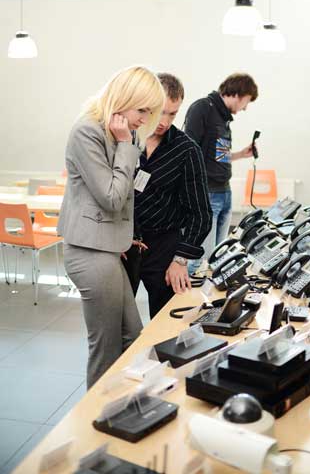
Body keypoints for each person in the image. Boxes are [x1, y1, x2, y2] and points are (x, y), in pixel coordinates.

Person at [58, 65, 165, 389]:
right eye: (141, 110)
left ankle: (123, 408)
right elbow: (113, 197)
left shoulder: (121, 135)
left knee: (132, 338)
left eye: (149, 112)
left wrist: (122, 237)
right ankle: (95, 417)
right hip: (89, 253)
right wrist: (125, 145)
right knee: (106, 350)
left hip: (106, 249)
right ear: (123, 98)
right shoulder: (87, 132)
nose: (144, 120)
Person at [122, 73, 212, 318]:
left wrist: (180, 260)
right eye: (160, 112)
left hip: (164, 247)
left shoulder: (187, 150)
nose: (164, 121)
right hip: (123, 244)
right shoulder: (124, 138)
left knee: (165, 324)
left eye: (172, 114)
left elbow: (201, 214)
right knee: (118, 322)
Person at [184, 73, 258, 274]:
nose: (245, 108)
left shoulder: (224, 119)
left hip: (224, 192)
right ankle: (183, 292)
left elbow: (218, 157)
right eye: (247, 101)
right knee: (200, 260)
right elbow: (187, 152)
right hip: (207, 193)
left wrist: (241, 154)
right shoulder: (202, 108)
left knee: (217, 259)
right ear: (238, 94)